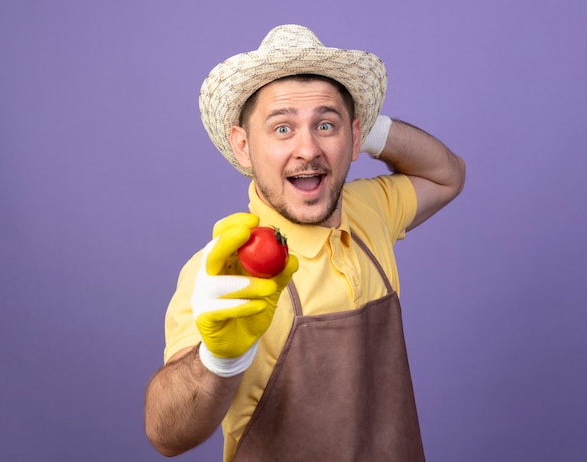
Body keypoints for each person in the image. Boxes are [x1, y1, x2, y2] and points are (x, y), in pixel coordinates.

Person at [144, 24, 465, 461]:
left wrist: (368, 130)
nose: (308, 149)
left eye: (325, 125)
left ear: (352, 138)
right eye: (281, 129)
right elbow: (166, 434)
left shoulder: (369, 209)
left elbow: (448, 174)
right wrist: (218, 361)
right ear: (243, 147)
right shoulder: (225, 274)